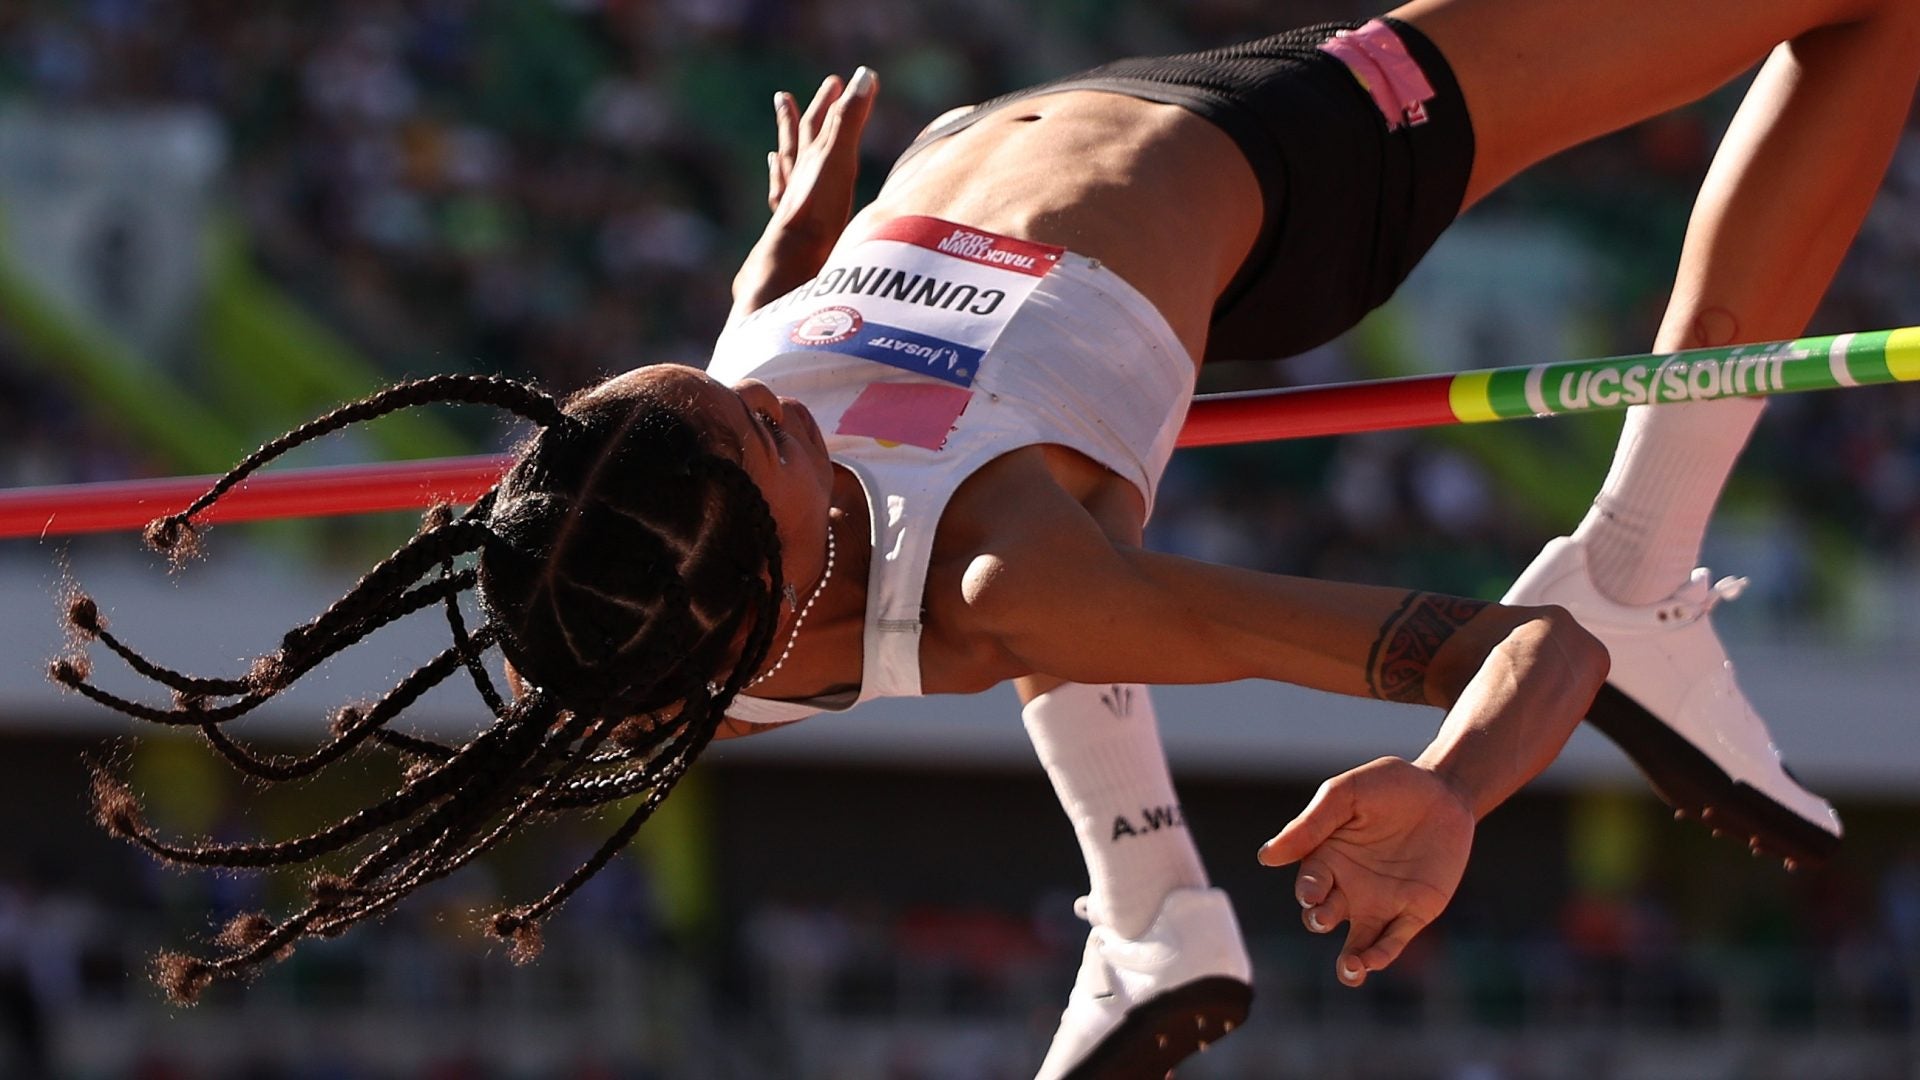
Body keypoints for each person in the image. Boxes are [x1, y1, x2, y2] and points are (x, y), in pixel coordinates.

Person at [49, 0, 1915, 1076]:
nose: (749, 384)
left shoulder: (651, 603)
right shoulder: (1015, 574)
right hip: (1280, 164)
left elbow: (717, 475)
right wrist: (1454, 785)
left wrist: (783, 282)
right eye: (748, 421)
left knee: (979, 573)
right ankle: (1636, 549)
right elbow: (1526, 666)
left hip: (1011, 324)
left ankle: (1150, 908)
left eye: (688, 389)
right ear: (767, 570)